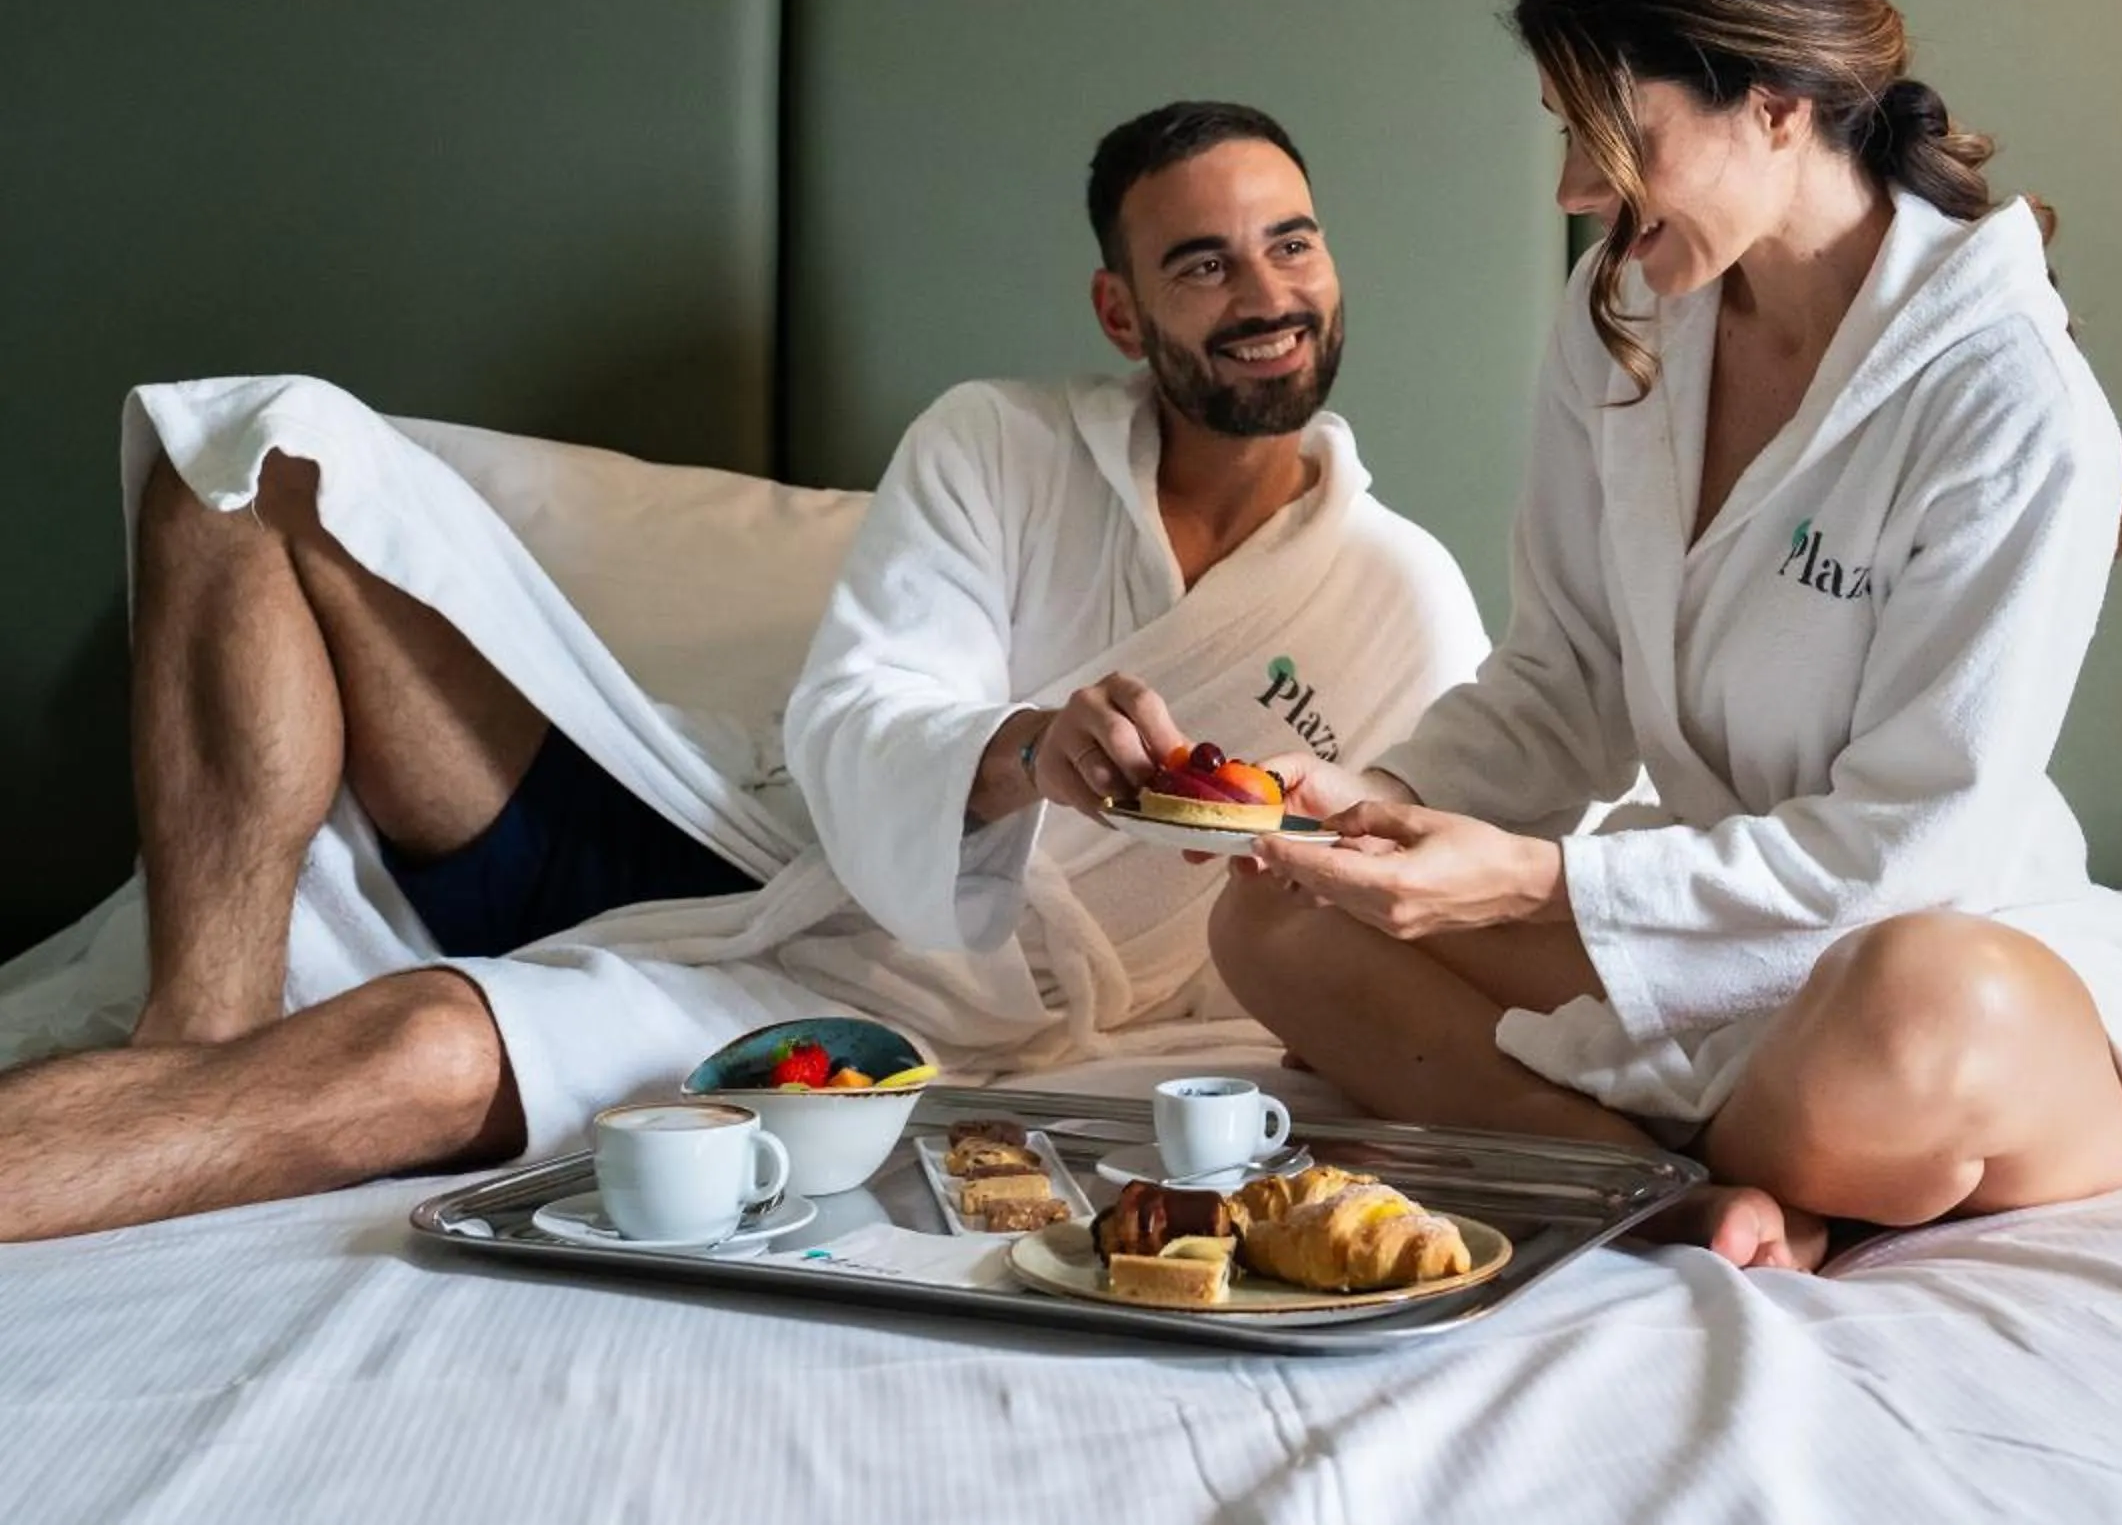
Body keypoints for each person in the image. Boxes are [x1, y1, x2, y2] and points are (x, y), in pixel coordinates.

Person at [0, 100, 1484, 1239]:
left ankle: (198, 1082)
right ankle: (196, 1028)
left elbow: (1482, 868)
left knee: (419, 1054)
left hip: (868, 976)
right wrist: (1027, 748)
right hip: (730, 825)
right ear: (1122, 310)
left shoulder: (1398, 598)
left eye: (1292, 241)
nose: (1265, 289)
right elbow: (864, 706)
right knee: (249, 452)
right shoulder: (999, 444)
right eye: (1204, 260)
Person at [1210, 0, 2122, 1272]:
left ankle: (1598, 1132)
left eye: (1615, 134)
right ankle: (1644, 1174)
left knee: (1908, 1005)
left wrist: (1540, 889)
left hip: (1927, 946)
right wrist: (1368, 813)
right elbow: (1566, 678)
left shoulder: (2008, 399)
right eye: (1566, 133)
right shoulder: (1625, 307)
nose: (1573, 190)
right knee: (1271, 908)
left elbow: (1917, 846)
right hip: (1710, 942)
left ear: (1778, 106)